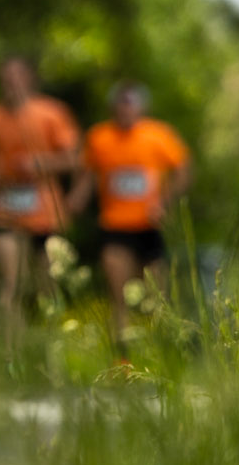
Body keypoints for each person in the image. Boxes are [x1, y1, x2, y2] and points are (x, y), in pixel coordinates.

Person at [0, 56, 80, 353]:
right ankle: (11, 357)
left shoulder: (52, 113)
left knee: (48, 287)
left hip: (45, 210)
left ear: (30, 79)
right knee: (11, 284)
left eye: (17, 77)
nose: (12, 83)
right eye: (6, 78)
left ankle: (55, 356)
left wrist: (41, 163)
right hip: (4, 209)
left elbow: (73, 159)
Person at [71, 83, 192, 344]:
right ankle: (123, 359)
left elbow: (183, 170)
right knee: (119, 295)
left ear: (141, 107)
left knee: (156, 296)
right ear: (113, 107)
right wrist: (76, 200)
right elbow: (88, 173)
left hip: (149, 226)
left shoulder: (158, 135)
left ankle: (158, 352)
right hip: (115, 226)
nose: (126, 110)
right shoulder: (99, 137)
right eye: (121, 104)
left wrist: (164, 201)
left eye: (131, 104)